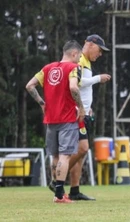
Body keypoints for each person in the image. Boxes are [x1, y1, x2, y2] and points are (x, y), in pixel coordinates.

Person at [48, 34, 111, 201]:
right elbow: (78, 83)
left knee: (79, 152)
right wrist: (99, 78)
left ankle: (74, 190)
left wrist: (89, 108)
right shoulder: (80, 59)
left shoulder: (86, 61)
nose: (100, 54)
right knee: (82, 148)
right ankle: (57, 181)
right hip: (75, 113)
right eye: (99, 49)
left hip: (84, 112)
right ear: (89, 44)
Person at [26, 40, 85, 203]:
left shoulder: (47, 68)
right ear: (74, 54)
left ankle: (58, 193)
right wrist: (81, 107)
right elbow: (73, 88)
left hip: (51, 119)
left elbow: (30, 86)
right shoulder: (73, 68)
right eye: (79, 56)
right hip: (67, 118)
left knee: (55, 157)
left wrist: (42, 103)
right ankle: (59, 195)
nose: (79, 60)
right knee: (65, 156)